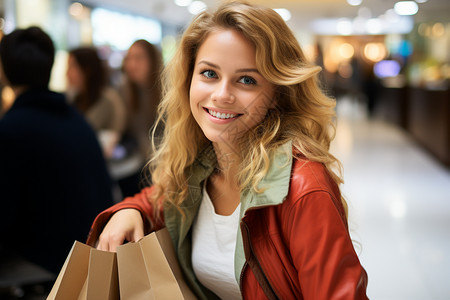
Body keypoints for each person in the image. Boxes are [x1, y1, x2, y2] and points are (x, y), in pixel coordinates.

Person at [87, 2, 369, 299]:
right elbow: (159, 199)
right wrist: (129, 211)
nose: (221, 95)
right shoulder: (201, 163)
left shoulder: (303, 187)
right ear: (189, 79)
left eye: (246, 80)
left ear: (277, 93)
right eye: (209, 73)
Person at [0, 27, 114, 274]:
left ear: (4, 69)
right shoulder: (75, 119)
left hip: (46, 267)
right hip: (90, 259)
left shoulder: (11, 129)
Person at [115, 39, 163, 196]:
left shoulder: (167, 92)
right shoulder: (124, 92)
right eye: (129, 58)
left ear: (153, 61)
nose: (132, 64)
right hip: (139, 166)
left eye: (138, 58)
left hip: (164, 166)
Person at [66, 47, 126, 160]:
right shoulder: (74, 99)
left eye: (72, 66)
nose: (67, 73)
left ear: (87, 70)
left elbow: (115, 136)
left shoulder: (109, 99)